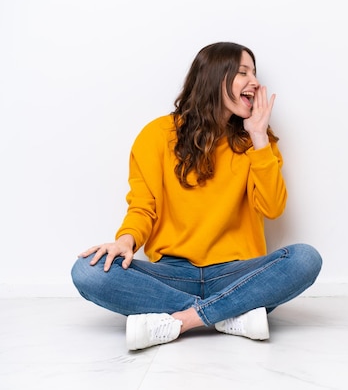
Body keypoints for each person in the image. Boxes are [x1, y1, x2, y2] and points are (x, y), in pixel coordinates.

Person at [71, 42, 322, 351]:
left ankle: (183, 320)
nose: (255, 82)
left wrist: (258, 136)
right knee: (87, 270)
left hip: (235, 271)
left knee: (305, 258)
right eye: (243, 72)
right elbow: (143, 206)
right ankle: (231, 313)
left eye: (254, 73)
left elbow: (272, 208)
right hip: (173, 273)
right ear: (215, 78)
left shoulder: (257, 143)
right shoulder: (157, 135)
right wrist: (125, 242)